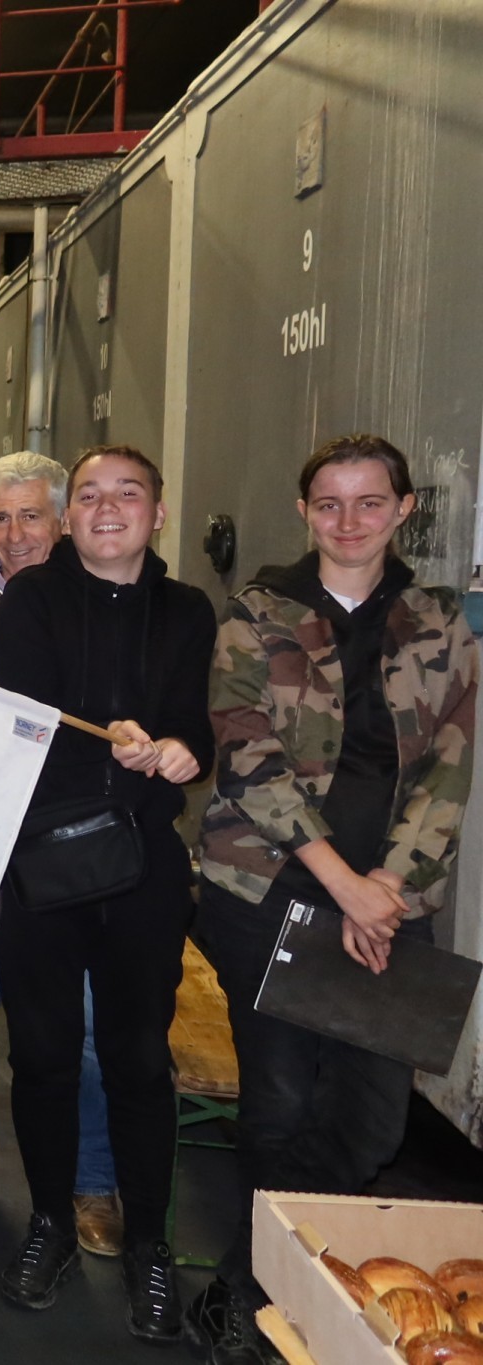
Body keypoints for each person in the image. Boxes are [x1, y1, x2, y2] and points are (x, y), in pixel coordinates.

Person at [190, 434, 476, 1365]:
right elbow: (246, 754)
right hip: (267, 890)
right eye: (328, 503)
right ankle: (263, 1297)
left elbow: (450, 764)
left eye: (368, 502)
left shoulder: (440, 622)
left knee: (370, 1121)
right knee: (276, 1103)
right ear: (305, 512)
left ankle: (250, 1271)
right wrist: (343, 883)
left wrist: (388, 885)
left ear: (403, 510)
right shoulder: (258, 612)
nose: (348, 521)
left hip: (391, 901)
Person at [0, 446, 217, 1345]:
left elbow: (196, 719)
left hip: (143, 870)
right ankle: (48, 1220)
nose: (108, 507)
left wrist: (183, 748)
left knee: (136, 1059)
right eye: (89, 495)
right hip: (44, 862)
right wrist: (115, 745)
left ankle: (150, 1245)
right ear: (68, 513)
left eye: (128, 494)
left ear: (158, 513)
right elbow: (28, 710)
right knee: (42, 1055)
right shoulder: (32, 598)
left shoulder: (189, 608)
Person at [0, 450, 125, 1256]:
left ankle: (92, 1182)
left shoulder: (93, 599)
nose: (16, 532)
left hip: (64, 845)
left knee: (81, 1027)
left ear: (61, 520)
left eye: (31, 515)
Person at [0, 451, 65, 594]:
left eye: (30, 517)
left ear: (65, 521)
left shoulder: (92, 603)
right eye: (1, 519)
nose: (15, 537)